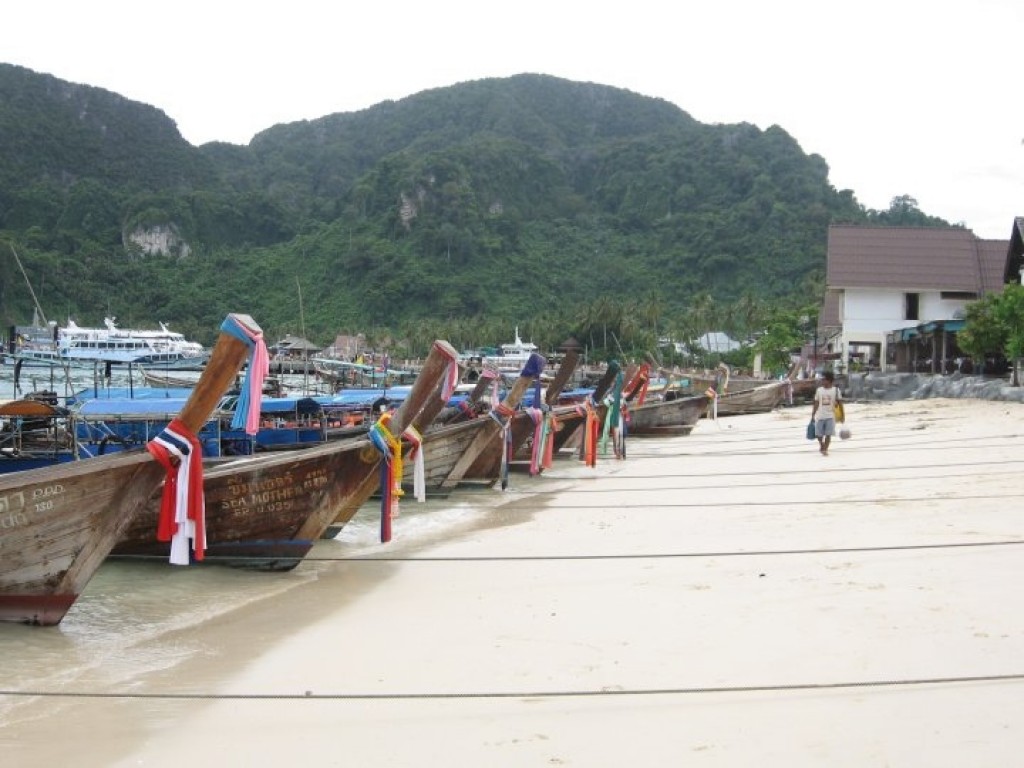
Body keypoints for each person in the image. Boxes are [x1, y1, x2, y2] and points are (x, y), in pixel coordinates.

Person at [811, 370, 841, 455]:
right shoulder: (819, 390)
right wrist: (813, 414)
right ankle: (822, 444)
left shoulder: (836, 390)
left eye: (824, 379)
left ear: (829, 380)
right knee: (818, 435)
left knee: (828, 434)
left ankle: (825, 449)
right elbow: (816, 402)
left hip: (831, 416)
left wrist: (842, 415)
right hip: (820, 415)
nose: (822, 381)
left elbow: (840, 403)